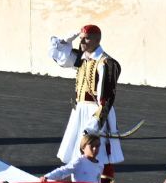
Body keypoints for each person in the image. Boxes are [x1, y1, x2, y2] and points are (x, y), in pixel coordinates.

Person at [50, 23, 124, 170]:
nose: (82, 42)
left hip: (96, 112)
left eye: (87, 39)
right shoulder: (82, 58)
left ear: (97, 41)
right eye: (81, 38)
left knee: (100, 156)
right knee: (77, 157)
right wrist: (65, 41)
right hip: (79, 111)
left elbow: (106, 99)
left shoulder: (107, 63)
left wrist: (95, 124)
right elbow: (58, 56)